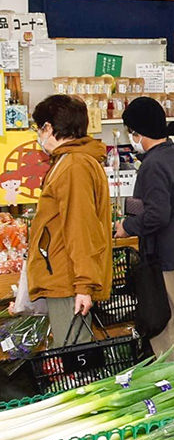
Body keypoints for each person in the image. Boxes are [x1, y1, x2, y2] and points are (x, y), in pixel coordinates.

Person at [116, 97, 174, 361]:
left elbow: (157, 215)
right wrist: (130, 212)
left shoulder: (153, 164)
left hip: (172, 260)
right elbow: (153, 202)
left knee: (170, 334)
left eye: (130, 131)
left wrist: (126, 226)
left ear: (137, 132)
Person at [26, 95, 112, 345]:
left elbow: (80, 228)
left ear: (49, 128)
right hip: (64, 275)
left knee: (73, 354)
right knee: (71, 351)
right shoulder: (71, 161)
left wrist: (83, 286)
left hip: (67, 278)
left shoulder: (73, 165)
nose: (39, 135)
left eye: (38, 128)